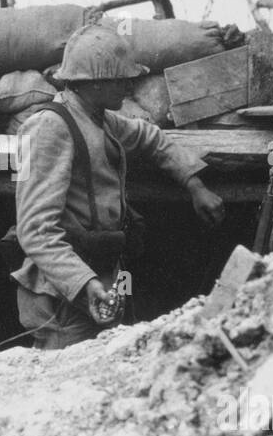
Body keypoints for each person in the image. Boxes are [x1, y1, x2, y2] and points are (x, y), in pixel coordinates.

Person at [11, 22, 225, 349]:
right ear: (92, 84)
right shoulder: (49, 128)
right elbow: (36, 231)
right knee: (66, 385)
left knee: (115, 360)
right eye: (120, 80)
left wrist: (194, 184)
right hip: (63, 292)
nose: (128, 87)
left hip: (109, 272)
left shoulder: (99, 119)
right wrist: (85, 285)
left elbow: (149, 136)